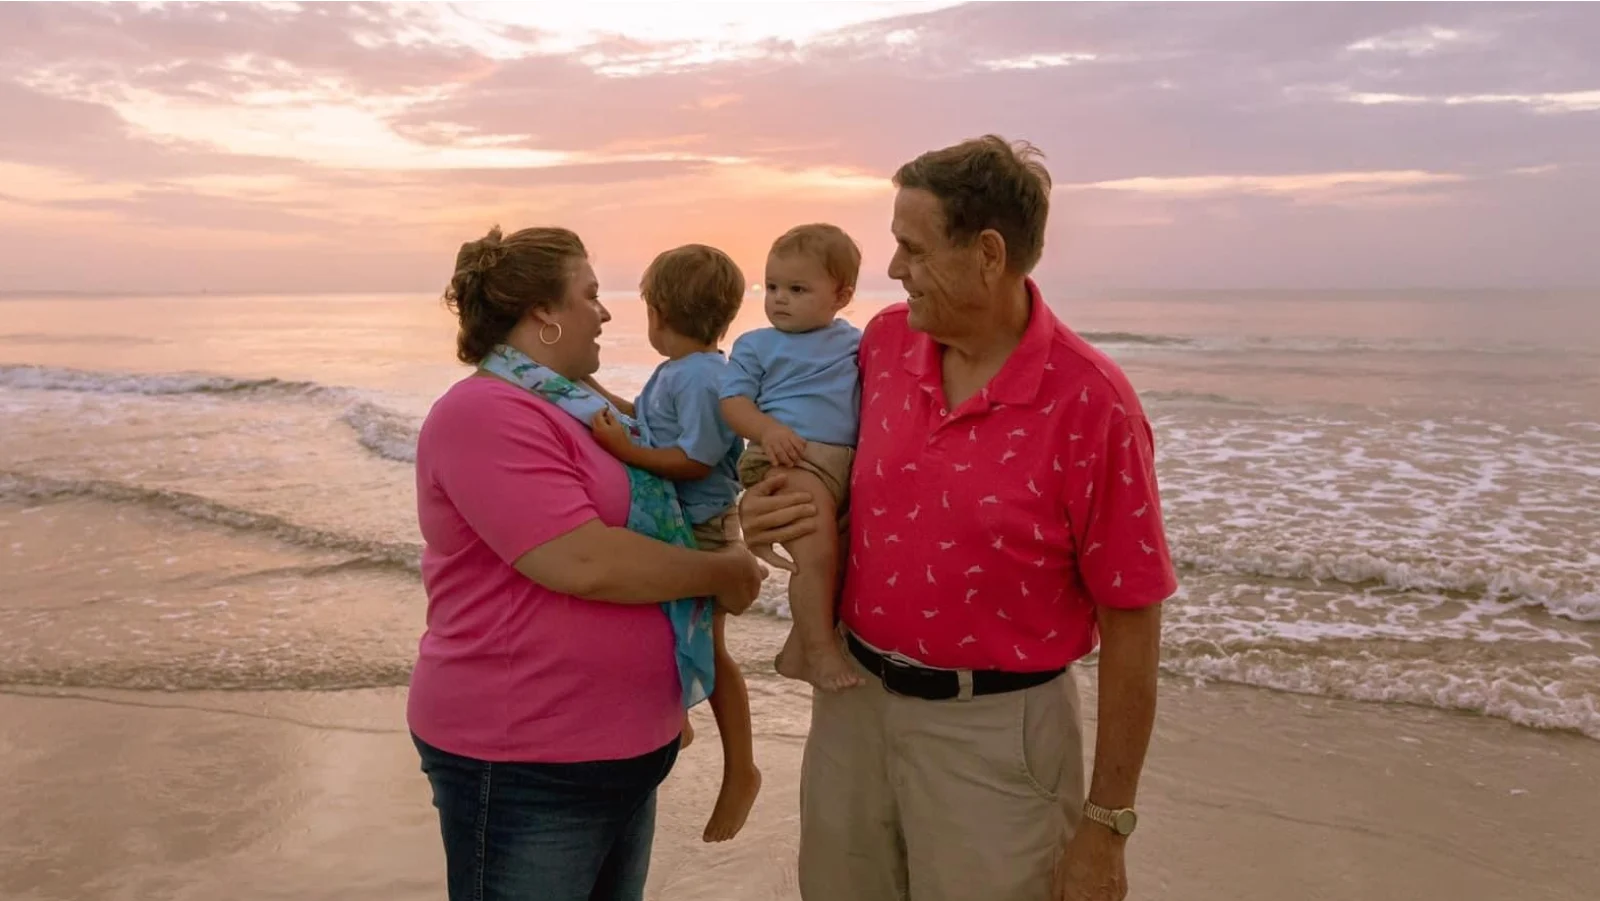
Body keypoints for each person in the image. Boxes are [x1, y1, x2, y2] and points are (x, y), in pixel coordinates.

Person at [740, 137, 1177, 901]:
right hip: (852, 705)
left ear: (987, 254)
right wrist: (773, 506)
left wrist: (1106, 824)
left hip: (999, 740)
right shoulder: (882, 343)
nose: (894, 269)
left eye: (912, 247)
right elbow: (832, 482)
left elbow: (1134, 617)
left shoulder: (1091, 404)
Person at [408, 224, 767, 901]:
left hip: (623, 751)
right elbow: (581, 559)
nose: (605, 312)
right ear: (543, 311)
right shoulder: (485, 412)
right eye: (590, 294)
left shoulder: (574, 403)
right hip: (526, 761)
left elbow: (680, 468)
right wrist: (727, 570)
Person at [585, 243, 763, 843]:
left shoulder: (707, 377)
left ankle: (742, 769)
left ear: (659, 312)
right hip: (675, 523)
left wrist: (624, 451)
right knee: (658, 627)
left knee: (708, 646)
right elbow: (651, 422)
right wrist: (596, 395)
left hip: (704, 527)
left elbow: (693, 458)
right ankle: (674, 720)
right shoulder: (681, 371)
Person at [719, 223, 864, 693]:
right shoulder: (757, 344)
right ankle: (821, 652)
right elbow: (734, 403)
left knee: (840, 561)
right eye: (772, 286)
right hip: (787, 457)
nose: (779, 299)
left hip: (842, 464)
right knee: (817, 554)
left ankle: (800, 647)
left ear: (841, 295)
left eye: (797, 289)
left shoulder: (856, 342)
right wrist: (767, 429)